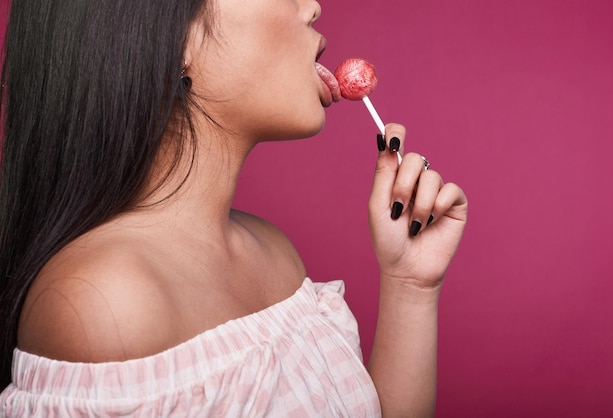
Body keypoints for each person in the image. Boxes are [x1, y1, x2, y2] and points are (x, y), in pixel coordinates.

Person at [0, 0, 467, 416]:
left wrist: (410, 286)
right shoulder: (103, 303)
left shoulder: (273, 253)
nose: (313, 7)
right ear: (178, 36)